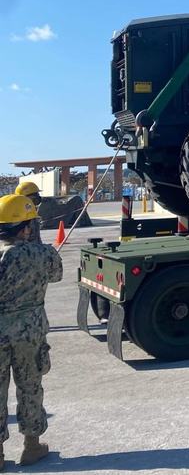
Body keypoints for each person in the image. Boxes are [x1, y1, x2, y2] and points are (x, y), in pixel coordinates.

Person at [0, 194, 62, 467]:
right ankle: (31, 446)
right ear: (26, 227)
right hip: (30, 333)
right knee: (30, 387)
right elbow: (56, 274)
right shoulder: (43, 253)